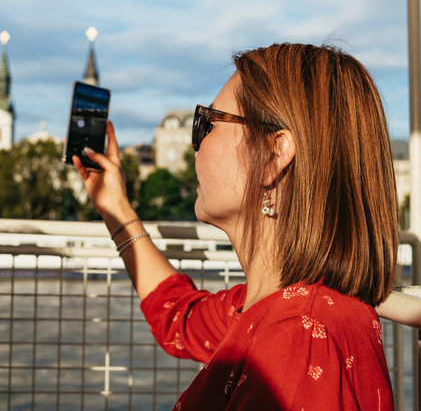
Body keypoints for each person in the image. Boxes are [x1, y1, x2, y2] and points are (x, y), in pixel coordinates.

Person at [73, 42, 398, 410]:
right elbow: (179, 317)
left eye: (207, 123)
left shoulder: (297, 338)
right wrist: (114, 205)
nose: (195, 145)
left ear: (275, 155)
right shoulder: (277, 306)